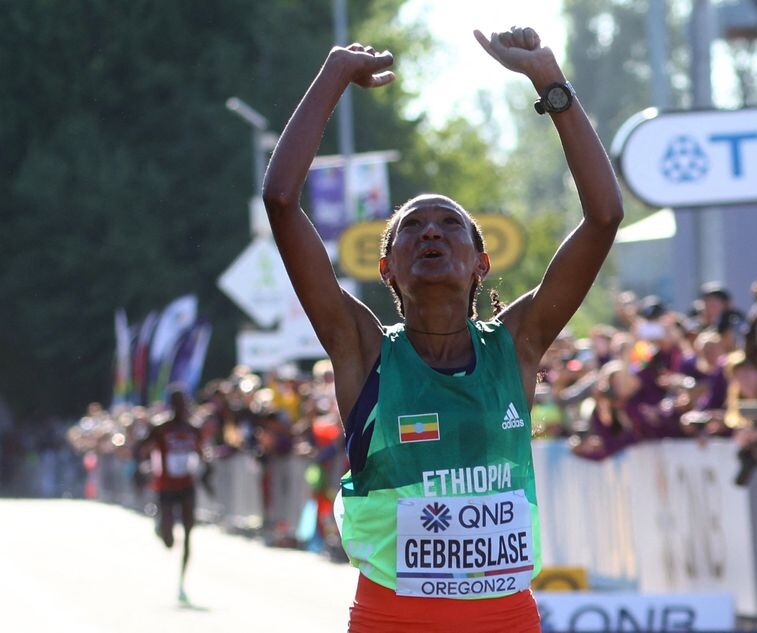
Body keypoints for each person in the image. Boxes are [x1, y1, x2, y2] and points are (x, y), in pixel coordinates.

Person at [261, 26, 622, 632]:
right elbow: (280, 201)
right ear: (387, 268)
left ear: (481, 263)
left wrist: (550, 82)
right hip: (393, 618)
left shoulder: (517, 344)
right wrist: (334, 74)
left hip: (505, 617)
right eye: (412, 226)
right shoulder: (362, 350)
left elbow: (604, 217)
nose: (431, 230)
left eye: (450, 224)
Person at [136, 386, 209, 602]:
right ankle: (161, 527)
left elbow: (202, 453)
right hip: (165, 486)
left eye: (184, 403)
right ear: (172, 405)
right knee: (169, 540)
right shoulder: (161, 428)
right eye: (178, 403)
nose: (182, 408)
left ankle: (182, 582)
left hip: (187, 486)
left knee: (188, 534)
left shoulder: (193, 429)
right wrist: (145, 466)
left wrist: (207, 471)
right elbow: (141, 448)